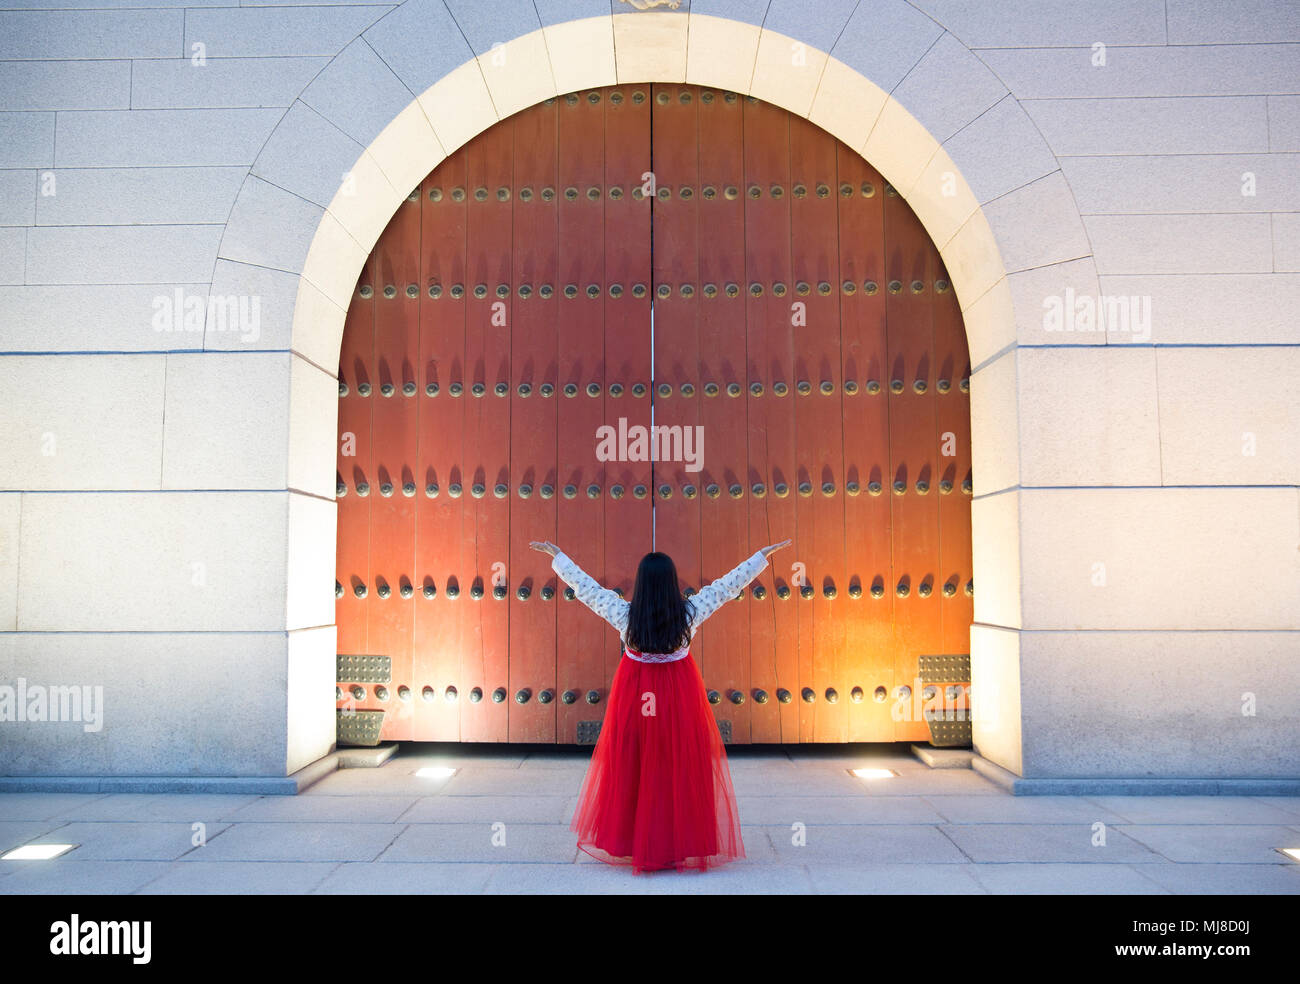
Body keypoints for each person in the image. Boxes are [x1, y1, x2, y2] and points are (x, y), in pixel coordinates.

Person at [529, 537, 792, 873]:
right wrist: (759, 558)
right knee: (675, 764)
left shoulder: (625, 615)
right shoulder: (689, 613)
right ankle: (674, 842)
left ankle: (636, 839)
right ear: (671, 583)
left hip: (637, 695)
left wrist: (560, 559)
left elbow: (589, 591)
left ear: (641, 583)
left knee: (636, 763)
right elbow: (727, 587)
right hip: (677, 694)